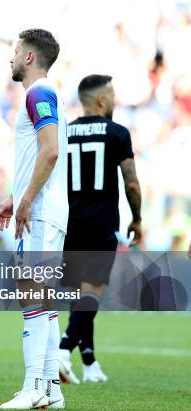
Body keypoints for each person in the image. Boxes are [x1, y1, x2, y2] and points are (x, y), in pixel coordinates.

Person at [0, 28, 68, 410]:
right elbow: (39, 157)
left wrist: (26, 200)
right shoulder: (45, 95)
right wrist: (14, 196)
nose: (11, 57)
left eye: (15, 50)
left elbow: (50, 151)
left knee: (31, 293)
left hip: (40, 211)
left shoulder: (38, 93)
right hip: (45, 207)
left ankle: (33, 386)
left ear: (28, 57)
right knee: (44, 296)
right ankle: (52, 389)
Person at [59, 74, 142, 384]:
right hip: (100, 222)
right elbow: (131, 182)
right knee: (93, 291)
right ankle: (62, 348)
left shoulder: (65, 132)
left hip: (70, 222)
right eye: (113, 94)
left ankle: (90, 363)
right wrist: (138, 218)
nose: (115, 100)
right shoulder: (117, 133)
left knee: (81, 293)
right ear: (101, 100)